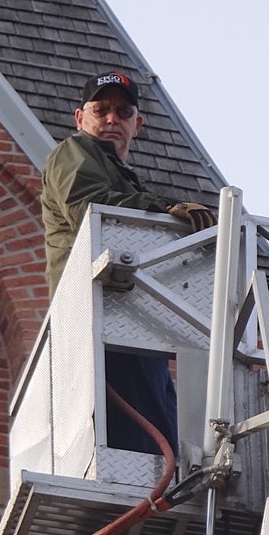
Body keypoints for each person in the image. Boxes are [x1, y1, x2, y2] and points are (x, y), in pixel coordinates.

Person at [41, 71, 217, 456]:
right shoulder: (75, 151)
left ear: (136, 125)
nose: (111, 119)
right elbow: (89, 207)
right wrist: (162, 208)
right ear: (80, 118)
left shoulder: (123, 176)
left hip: (129, 316)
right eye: (101, 109)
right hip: (101, 311)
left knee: (159, 434)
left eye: (123, 112)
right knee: (138, 443)